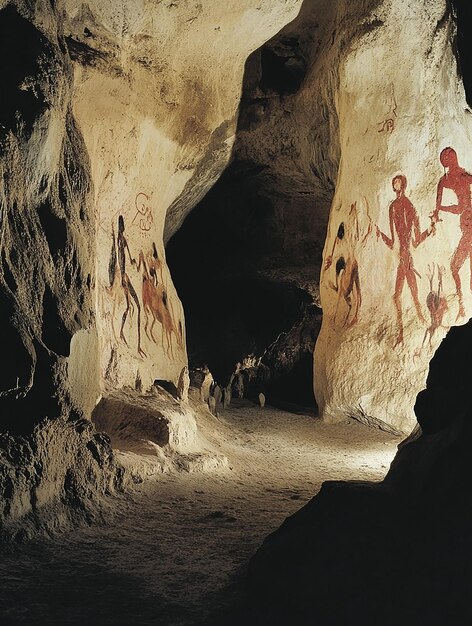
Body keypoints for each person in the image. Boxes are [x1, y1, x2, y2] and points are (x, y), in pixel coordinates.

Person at [377, 175, 434, 345]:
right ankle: (406, 328)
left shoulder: (409, 207)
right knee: (399, 296)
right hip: (402, 255)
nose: (396, 185)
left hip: (406, 257)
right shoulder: (392, 207)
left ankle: (419, 320)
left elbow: (415, 241)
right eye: (394, 182)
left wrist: (429, 230)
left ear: (404, 185)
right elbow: (393, 241)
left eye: (399, 182)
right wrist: (380, 234)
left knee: (409, 294)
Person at [432, 147, 472, 319]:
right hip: (466, 229)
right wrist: (438, 209)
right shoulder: (450, 179)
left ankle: (463, 306)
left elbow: (460, 208)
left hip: (469, 230)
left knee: (456, 267)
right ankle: (463, 306)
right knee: (457, 268)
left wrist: (441, 208)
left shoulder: (461, 178)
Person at [117, 215, 145, 357]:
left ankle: (139, 345)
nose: (123, 228)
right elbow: (120, 259)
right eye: (122, 225)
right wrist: (122, 276)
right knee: (129, 307)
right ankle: (121, 331)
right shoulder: (119, 241)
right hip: (124, 276)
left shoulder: (123, 240)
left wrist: (134, 261)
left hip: (126, 276)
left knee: (138, 307)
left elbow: (128, 257)